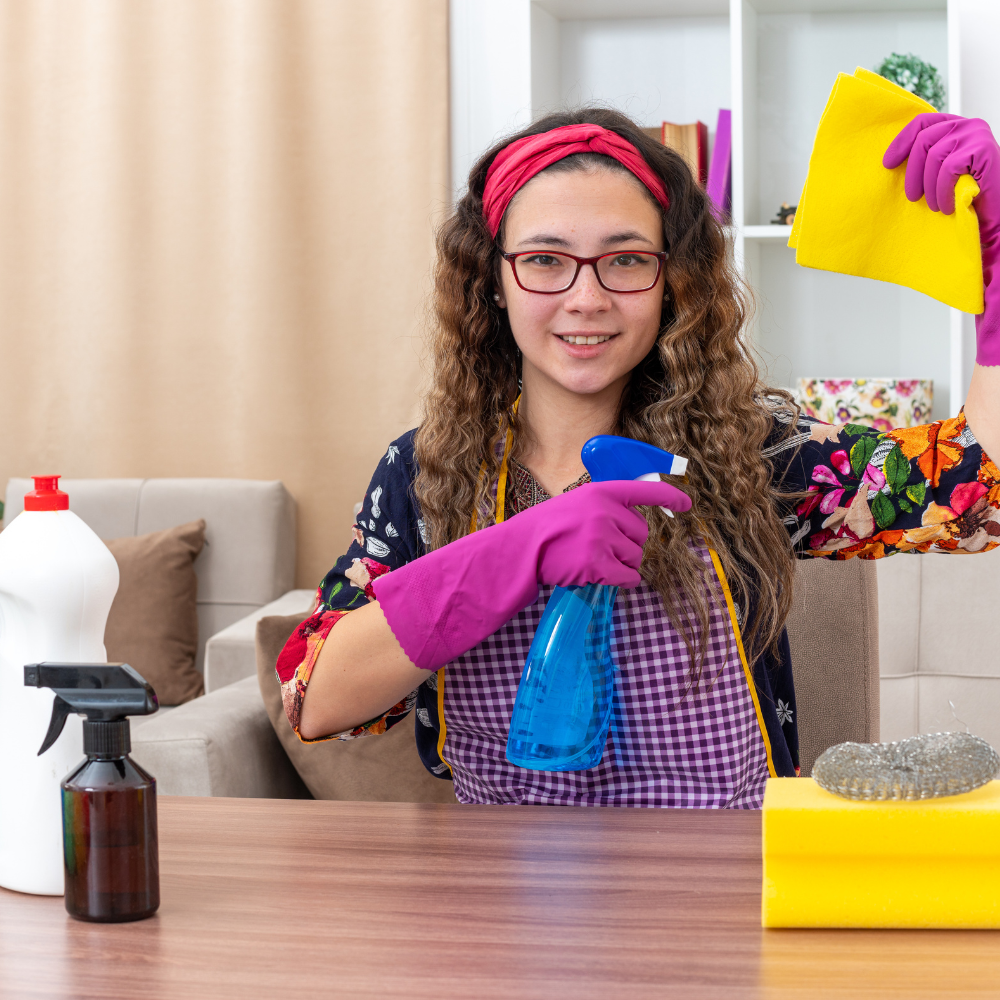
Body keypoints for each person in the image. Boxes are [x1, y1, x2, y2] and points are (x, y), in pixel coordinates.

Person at [276, 108, 1000, 808]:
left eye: (625, 260)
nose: (586, 297)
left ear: (671, 283)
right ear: (492, 282)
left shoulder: (755, 455)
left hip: (724, 886)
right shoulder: (425, 474)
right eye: (545, 261)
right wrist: (512, 553)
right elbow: (314, 699)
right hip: (497, 890)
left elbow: (980, 489)